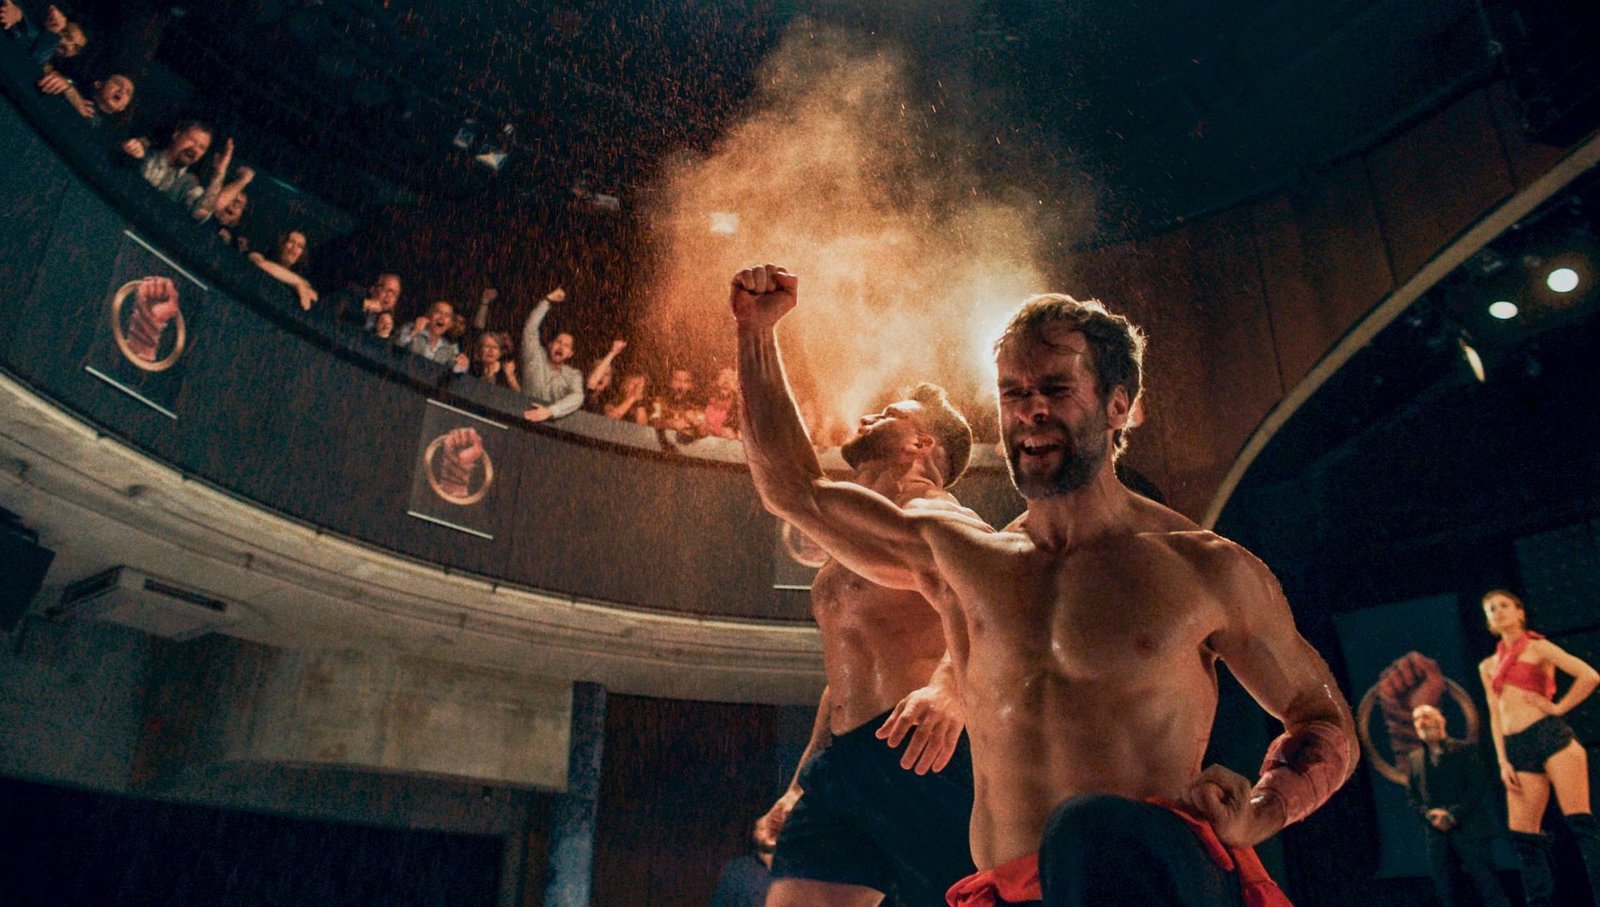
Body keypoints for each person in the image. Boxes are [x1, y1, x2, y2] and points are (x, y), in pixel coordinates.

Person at [731, 264, 1357, 907]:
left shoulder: (1204, 568)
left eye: (1056, 388)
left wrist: (1262, 810)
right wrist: (757, 333)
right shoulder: (966, 561)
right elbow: (795, 489)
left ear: (1117, 405)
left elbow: (1320, 719)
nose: (1031, 409)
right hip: (1011, 891)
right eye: (1013, 392)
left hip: (1148, 883)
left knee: (1087, 827)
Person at [747, 377, 979, 907]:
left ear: (920, 443)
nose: (869, 417)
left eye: (889, 413)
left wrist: (952, 689)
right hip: (842, 764)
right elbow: (841, 682)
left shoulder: (946, 519)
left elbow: (994, 612)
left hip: (920, 752)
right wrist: (801, 783)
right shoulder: (858, 538)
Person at [1478, 588, 1600, 907]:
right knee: (1525, 838)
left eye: (1504, 605)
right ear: (1488, 621)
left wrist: (1559, 707)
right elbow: (1494, 714)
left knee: (1581, 825)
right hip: (1516, 747)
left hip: (1549, 736)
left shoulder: (1538, 647)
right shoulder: (1487, 665)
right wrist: (1503, 760)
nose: (1498, 611)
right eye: (1491, 609)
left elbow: (1589, 676)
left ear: (1520, 612)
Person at [1406, 704, 1510, 907]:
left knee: (1488, 886)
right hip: (1437, 836)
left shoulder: (1465, 750)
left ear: (1441, 720)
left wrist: (1452, 815)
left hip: (1470, 830)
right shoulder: (1414, 759)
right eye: (1417, 719)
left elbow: (1476, 787)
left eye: (1426, 716)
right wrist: (1430, 816)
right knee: (1447, 891)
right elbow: (1412, 797)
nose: (1422, 722)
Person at [512, 287, 584, 422]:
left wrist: (551, 411)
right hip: (521, 416)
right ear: (550, 344)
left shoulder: (573, 375)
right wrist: (546, 301)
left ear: (570, 354)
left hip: (550, 425)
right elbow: (530, 330)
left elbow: (578, 397)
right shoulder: (534, 356)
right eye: (558, 342)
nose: (561, 347)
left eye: (566, 346)